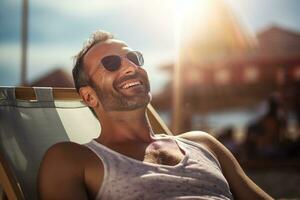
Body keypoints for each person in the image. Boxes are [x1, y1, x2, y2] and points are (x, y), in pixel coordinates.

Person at [38, 30, 273, 200]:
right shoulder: (72, 159)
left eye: (134, 58)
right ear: (89, 96)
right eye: (110, 64)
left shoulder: (203, 143)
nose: (131, 67)